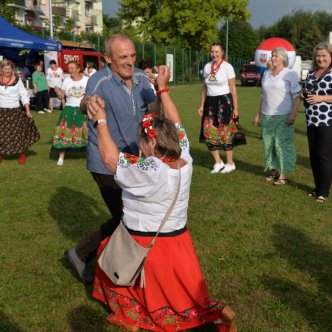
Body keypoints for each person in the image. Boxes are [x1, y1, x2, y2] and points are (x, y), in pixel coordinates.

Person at [90, 65, 237, 332]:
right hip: (177, 241)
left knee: (105, 256)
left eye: (142, 142)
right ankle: (213, 315)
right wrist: (163, 88)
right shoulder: (185, 158)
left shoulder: (150, 170)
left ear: (153, 144)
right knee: (183, 301)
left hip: (145, 244)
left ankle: (133, 315)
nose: (140, 147)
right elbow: (177, 123)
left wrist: (100, 121)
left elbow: (111, 160)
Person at [64, 34, 157, 284]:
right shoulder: (99, 80)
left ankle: (118, 263)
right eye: (122, 57)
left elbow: (154, 106)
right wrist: (89, 103)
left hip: (132, 159)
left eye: (132, 55)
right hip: (104, 161)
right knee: (126, 216)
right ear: (108, 58)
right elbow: (85, 102)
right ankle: (82, 254)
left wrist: (161, 89)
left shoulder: (139, 77)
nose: (129, 62)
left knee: (130, 215)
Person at [254, 47, 301, 185]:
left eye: (275, 56)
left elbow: (298, 96)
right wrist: (258, 114)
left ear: (283, 58)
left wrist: (293, 114)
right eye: (272, 55)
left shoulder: (290, 74)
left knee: (281, 145)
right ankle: (273, 170)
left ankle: (283, 175)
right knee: (269, 145)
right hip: (267, 115)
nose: (272, 58)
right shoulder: (267, 73)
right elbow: (263, 96)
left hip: (284, 115)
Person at [198, 42, 239, 174]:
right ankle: (218, 162)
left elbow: (233, 88)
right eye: (212, 51)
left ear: (222, 52)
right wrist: (201, 105)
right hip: (210, 103)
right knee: (208, 132)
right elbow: (205, 87)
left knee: (225, 132)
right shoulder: (207, 67)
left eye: (217, 51)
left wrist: (236, 108)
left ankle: (230, 163)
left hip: (224, 102)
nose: (214, 54)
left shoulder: (228, 67)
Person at [302, 41, 332, 203]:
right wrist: (303, 95)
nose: (321, 59)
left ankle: (324, 191)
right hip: (311, 120)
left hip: (328, 121)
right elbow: (306, 90)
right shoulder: (311, 73)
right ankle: (318, 187)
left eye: (324, 56)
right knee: (314, 156)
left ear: (330, 56)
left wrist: (322, 98)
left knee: (324, 156)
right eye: (318, 56)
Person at [0, 59, 40, 164]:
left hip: (15, 111)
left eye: (9, 69)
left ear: (12, 69)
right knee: (1, 134)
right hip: (1, 111)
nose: (7, 71)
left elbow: (24, 95)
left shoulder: (17, 80)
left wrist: (27, 110)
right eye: (5, 69)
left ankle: (21, 154)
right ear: (2, 69)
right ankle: (1, 154)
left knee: (18, 134)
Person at [52, 61, 89, 166]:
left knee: (86, 132)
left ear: (78, 69)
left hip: (83, 109)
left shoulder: (87, 80)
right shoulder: (66, 81)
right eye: (69, 68)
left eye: (72, 68)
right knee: (63, 131)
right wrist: (58, 92)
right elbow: (61, 97)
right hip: (69, 109)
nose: (70, 70)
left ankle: (91, 155)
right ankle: (61, 157)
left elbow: (91, 94)